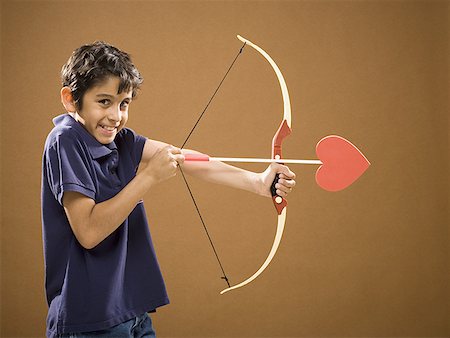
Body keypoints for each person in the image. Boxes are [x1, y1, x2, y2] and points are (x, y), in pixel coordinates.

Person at [41, 41, 296, 338]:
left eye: (124, 103)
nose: (115, 116)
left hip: (131, 311)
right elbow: (88, 232)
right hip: (89, 320)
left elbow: (187, 159)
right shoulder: (65, 140)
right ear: (71, 99)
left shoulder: (120, 139)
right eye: (104, 102)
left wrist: (258, 182)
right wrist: (148, 177)